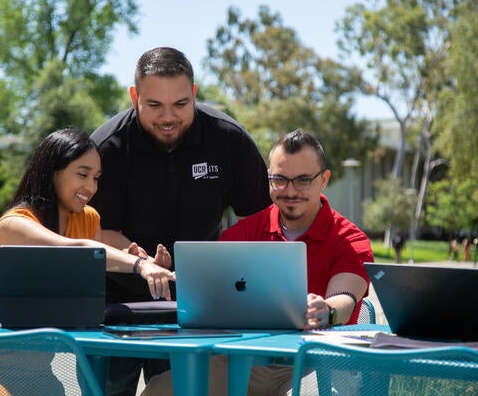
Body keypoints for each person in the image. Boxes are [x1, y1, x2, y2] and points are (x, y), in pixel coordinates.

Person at [89, 47, 272, 395]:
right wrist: (137, 263)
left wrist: (226, 271)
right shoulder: (106, 148)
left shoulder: (228, 139)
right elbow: (95, 231)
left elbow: (260, 222)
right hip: (113, 306)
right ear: (134, 96)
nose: (168, 117)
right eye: (154, 105)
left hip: (197, 306)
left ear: (194, 94)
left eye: (180, 105)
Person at [0, 128, 175, 396]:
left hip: (37, 371)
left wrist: (143, 262)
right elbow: (76, 250)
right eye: (82, 174)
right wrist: (139, 267)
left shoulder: (89, 219)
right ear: (53, 171)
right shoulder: (15, 224)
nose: (91, 187)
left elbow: (93, 272)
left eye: (96, 178)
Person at [142, 129, 373, 395]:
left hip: (322, 362)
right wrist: (170, 274)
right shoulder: (247, 231)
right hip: (248, 361)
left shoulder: (350, 239)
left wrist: (327, 310)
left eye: (303, 180)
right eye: (280, 180)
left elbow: (345, 297)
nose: (290, 191)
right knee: (161, 389)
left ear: (324, 180)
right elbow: (209, 290)